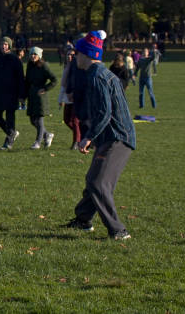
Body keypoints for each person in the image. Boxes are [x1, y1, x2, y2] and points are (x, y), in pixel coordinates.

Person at [63, 30, 135, 241]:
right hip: (109, 137)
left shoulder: (98, 77)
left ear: (86, 55)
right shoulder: (96, 74)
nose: (75, 57)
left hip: (118, 138)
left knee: (97, 183)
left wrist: (88, 137)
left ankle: (118, 231)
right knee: (94, 180)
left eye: (78, 53)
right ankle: (83, 220)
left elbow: (105, 113)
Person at [0, 36, 25, 150]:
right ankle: (12, 133)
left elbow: (20, 78)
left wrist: (21, 96)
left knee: (10, 118)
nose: (3, 46)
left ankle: (8, 142)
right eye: (1, 44)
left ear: (9, 46)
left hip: (11, 94)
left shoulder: (15, 60)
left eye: (5, 44)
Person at [25, 47, 57, 149]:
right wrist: (23, 96)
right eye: (31, 54)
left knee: (39, 120)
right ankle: (47, 135)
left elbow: (54, 80)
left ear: (39, 56)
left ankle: (37, 142)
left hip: (40, 97)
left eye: (35, 54)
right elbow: (27, 82)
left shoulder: (44, 66)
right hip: (31, 95)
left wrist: (45, 88)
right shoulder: (29, 66)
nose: (33, 56)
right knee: (32, 120)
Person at [58, 48, 81, 149]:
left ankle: (76, 142)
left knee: (75, 120)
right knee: (66, 120)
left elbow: (75, 82)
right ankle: (81, 135)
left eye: (72, 55)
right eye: (68, 55)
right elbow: (63, 84)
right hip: (67, 96)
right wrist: (60, 99)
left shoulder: (77, 67)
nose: (69, 57)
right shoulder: (66, 67)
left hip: (75, 96)